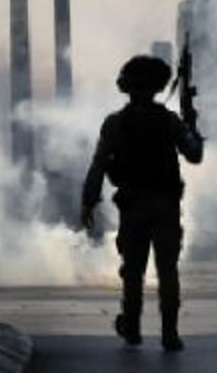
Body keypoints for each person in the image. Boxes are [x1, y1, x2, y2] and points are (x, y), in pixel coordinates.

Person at [80, 55, 204, 352]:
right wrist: (192, 124)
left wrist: (88, 202)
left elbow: (98, 165)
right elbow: (195, 155)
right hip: (165, 206)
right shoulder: (169, 121)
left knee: (133, 271)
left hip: (133, 207)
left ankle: (132, 328)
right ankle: (170, 334)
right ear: (158, 87)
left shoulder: (115, 124)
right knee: (167, 270)